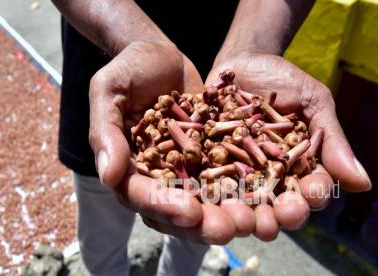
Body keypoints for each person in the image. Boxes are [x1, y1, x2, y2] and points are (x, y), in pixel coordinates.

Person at [51, 0, 372, 275]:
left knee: (199, 227)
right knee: (101, 214)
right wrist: (131, 39)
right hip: (113, 67)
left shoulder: (232, 124)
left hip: (228, 44)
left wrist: (254, 45)